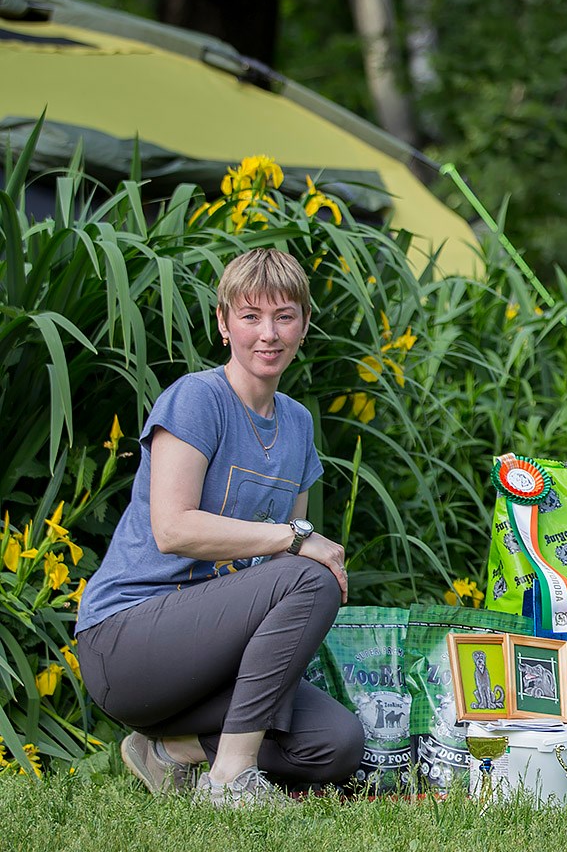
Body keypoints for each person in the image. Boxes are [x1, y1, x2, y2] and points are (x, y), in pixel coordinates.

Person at [75, 248, 364, 807]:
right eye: (251, 316)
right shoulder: (197, 398)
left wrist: (297, 545)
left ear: (305, 323)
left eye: (284, 316)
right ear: (223, 324)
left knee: (336, 744)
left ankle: (172, 752)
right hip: (128, 644)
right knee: (311, 572)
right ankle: (231, 778)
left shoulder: (298, 426)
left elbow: (282, 562)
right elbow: (174, 530)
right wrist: (298, 539)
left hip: (212, 656)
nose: (269, 333)